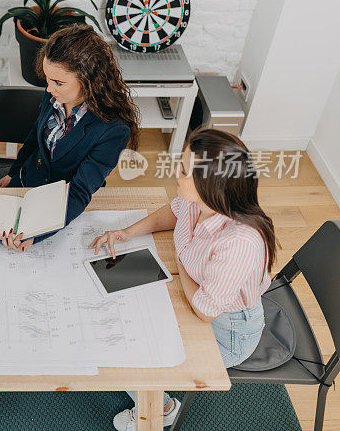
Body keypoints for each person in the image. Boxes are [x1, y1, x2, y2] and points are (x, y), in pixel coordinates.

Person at [90, 128, 274, 431]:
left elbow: (205, 310)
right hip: (194, 292)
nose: (177, 172)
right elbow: (173, 214)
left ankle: (162, 408)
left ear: (211, 183)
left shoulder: (240, 241)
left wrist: (179, 263)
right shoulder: (197, 200)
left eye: (185, 170)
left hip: (227, 329)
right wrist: (126, 233)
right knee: (119, 313)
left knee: (134, 349)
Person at [0, 24, 140, 251]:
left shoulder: (113, 130)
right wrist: (14, 173)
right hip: (26, 181)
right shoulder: (54, 93)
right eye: (48, 80)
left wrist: (37, 232)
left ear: (90, 80)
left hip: (58, 202)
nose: (49, 89)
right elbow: (34, 137)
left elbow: (79, 191)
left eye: (58, 83)